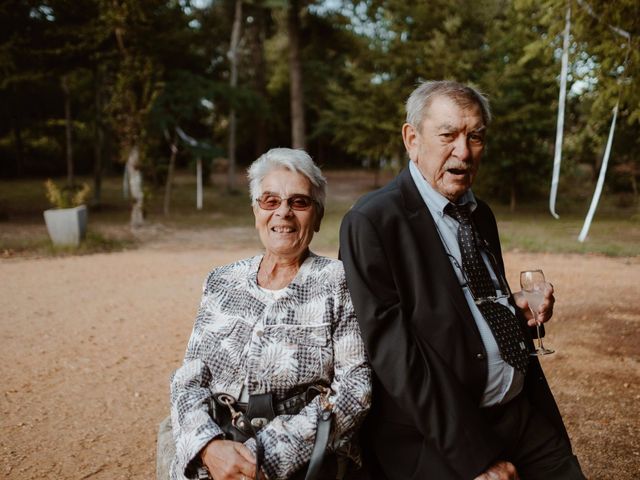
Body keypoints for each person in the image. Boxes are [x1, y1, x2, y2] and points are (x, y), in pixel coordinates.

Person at [339, 81, 585, 480]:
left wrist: (515, 306)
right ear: (412, 138)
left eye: (475, 137)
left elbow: (467, 304)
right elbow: (395, 355)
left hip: (519, 413)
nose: (464, 151)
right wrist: (475, 458)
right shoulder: (373, 222)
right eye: (448, 135)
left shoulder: (479, 212)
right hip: (442, 437)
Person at [169, 148, 371, 480]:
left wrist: (264, 458)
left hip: (301, 461)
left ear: (317, 217)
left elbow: (355, 389)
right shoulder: (221, 281)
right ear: (256, 211)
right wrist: (208, 447)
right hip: (216, 455)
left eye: (299, 202)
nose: (284, 213)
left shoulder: (339, 282)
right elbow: (189, 379)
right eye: (270, 201)